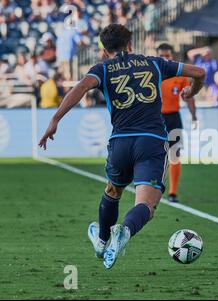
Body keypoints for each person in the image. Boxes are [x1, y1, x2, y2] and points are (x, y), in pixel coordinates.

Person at [38, 24, 205, 269]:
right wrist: (192, 91)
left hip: (120, 143)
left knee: (113, 191)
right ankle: (124, 230)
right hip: (151, 141)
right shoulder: (155, 63)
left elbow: (81, 87)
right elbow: (199, 71)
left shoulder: (102, 69)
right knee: (146, 204)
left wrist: (55, 120)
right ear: (130, 44)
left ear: (104, 51)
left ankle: (102, 240)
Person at [156, 43, 198, 203]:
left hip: (174, 118)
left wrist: (194, 116)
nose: (165, 59)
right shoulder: (152, 74)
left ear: (171, 56)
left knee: (175, 155)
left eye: (167, 56)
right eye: (162, 56)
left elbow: (188, 97)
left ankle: (173, 193)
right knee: (155, 155)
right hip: (155, 119)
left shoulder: (179, 76)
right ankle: (153, 187)